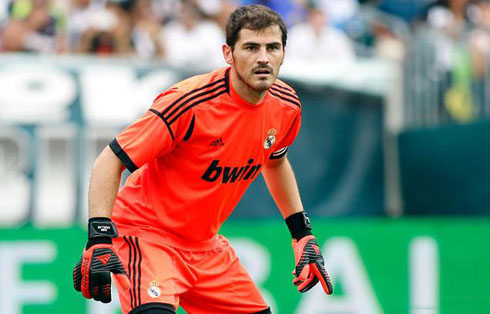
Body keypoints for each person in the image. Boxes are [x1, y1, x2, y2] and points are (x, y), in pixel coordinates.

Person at [72, 4, 333, 314]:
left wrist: (302, 234)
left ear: (283, 54)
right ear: (228, 53)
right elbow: (109, 159)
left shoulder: (286, 105)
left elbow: (275, 161)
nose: (263, 57)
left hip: (205, 246)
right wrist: (99, 236)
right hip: (147, 237)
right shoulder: (188, 102)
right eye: (251, 47)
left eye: (272, 47)